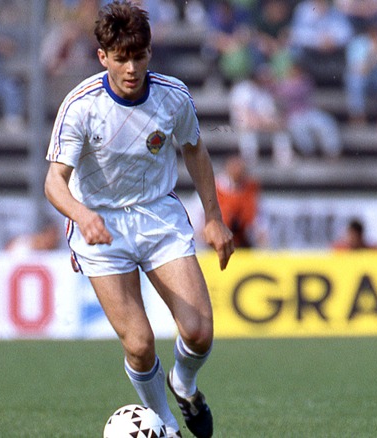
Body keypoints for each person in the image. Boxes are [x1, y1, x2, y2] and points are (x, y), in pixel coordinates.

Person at [43, 2, 234, 437]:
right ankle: (165, 424)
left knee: (199, 332)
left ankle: (183, 383)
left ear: (150, 53)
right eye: (122, 58)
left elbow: (194, 150)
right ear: (102, 57)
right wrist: (81, 214)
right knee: (140, 344)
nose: (132, 68)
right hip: (102, 226)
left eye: (140, 56)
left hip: (158, 216)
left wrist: (214, 217)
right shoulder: (81, 106)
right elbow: (54, 182)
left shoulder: (172, 96)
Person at [228, 64, 292, 166]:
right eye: (264, 76)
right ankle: (250, 164)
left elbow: (271, 113)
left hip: (262, 124)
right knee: (248, 135)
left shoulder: (266, 92)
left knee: (281, 133)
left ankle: (285, 164)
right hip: (243, 123)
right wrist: (261, 122)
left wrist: (274, 123)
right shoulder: (242, 89)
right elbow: (243, 113)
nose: (267, 79)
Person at [215, 155, 262, 248]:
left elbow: (260, 219)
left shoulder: (251, 189)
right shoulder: (214, 188)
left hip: (244, 241)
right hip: (217, 241)